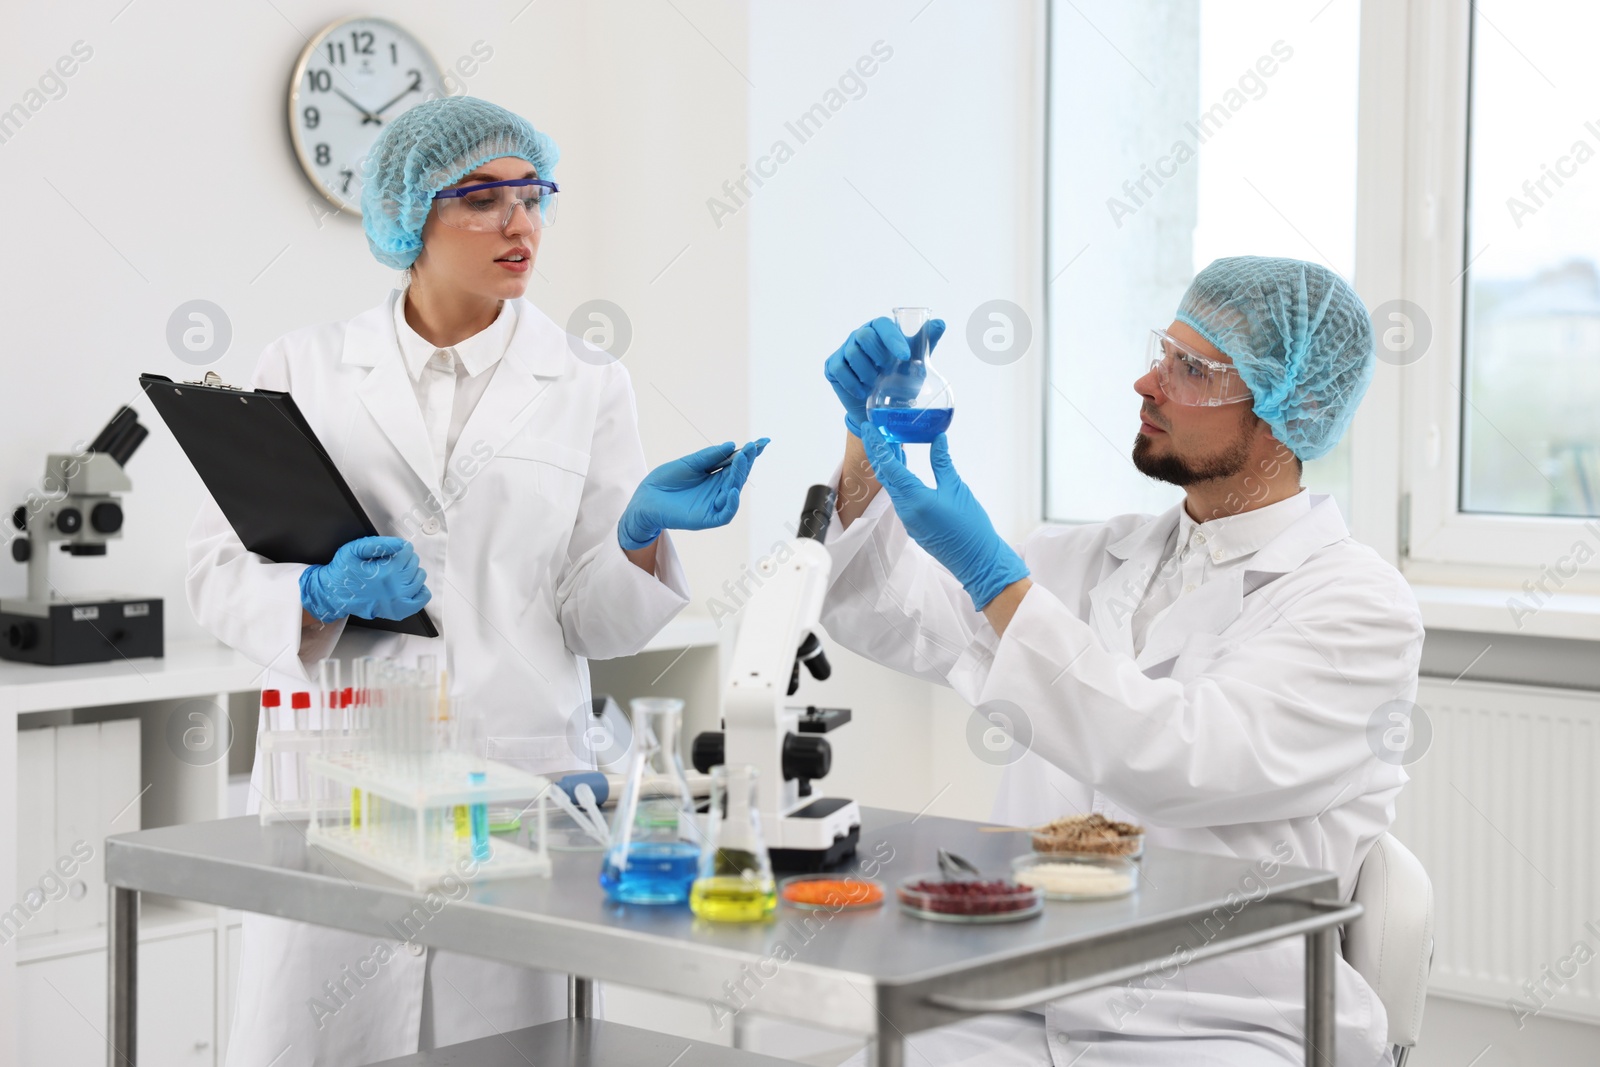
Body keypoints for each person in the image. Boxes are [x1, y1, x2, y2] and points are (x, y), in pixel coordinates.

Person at [187, 96, 766, 1066]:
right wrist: (317, 594)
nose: (520, 222)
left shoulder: (586, 382)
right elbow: (214, 567)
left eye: (532, 194)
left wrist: (634, 534)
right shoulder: (305, 366)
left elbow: (592, 616)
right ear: (411, 216)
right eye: (482, 198)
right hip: (346, 786)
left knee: (504, 1045)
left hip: (517, 798)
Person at [822, 257, 1421, 1066]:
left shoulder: (1358, 606)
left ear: (1285, 409)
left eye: (1192, 369)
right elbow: (888, 612)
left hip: (1223, 1024)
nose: (1148, 382)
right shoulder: (1100, 557)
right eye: (1161, 351)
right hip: (1023, 996)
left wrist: (999, 582)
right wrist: (868, 437)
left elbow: (1174, 756)